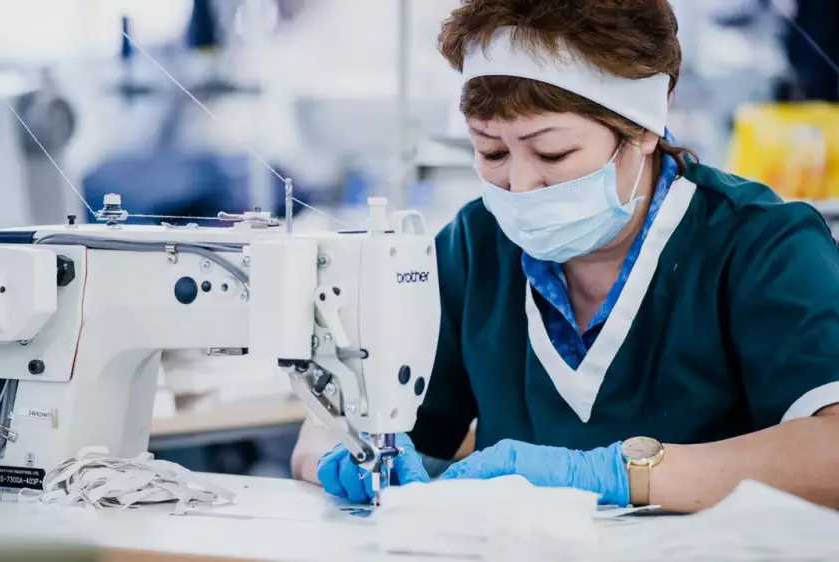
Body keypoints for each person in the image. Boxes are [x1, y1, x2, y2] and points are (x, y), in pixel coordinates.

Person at [290, 0, 839, 513]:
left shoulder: (763, 246)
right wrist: (347, 455)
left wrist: (620, 475)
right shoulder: (475, 247)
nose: (520, 185)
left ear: (642, 130)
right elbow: (334, 424)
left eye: (552, 153)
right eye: (491, 151)